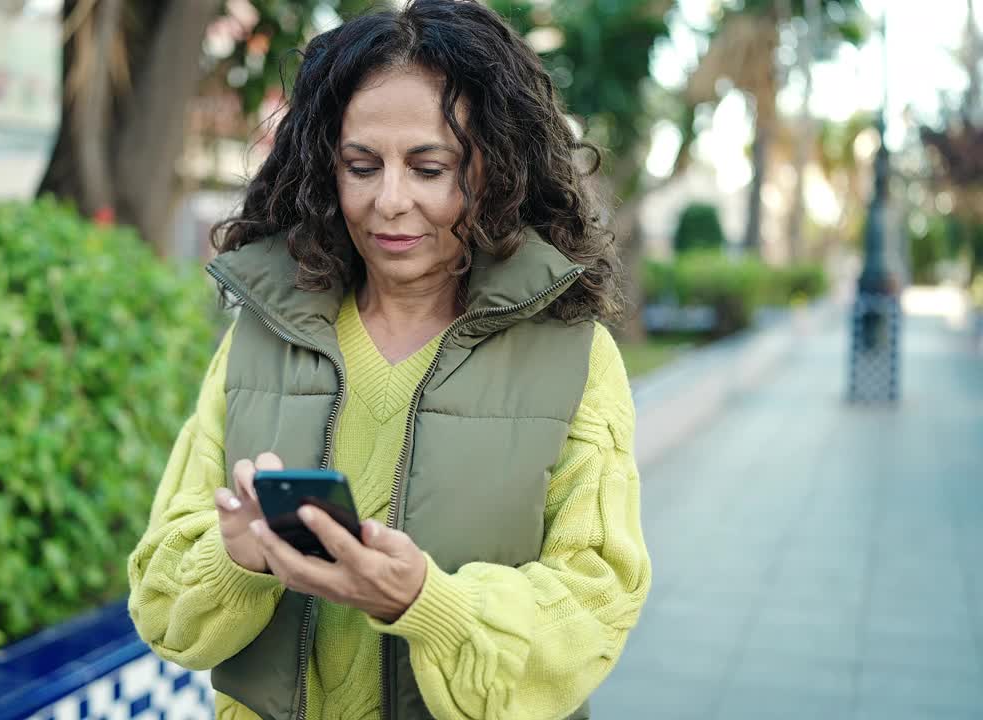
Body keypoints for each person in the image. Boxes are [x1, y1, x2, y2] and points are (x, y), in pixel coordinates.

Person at [127, 2, 651, 718]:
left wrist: (426, 603)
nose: (389, 201)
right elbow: (161, 599)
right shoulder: (259, 339)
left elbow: (598, 602)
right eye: (361, 166)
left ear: (496, 172)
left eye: (430, 167)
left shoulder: (575, 356)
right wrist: (237, 557)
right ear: (325, 169)